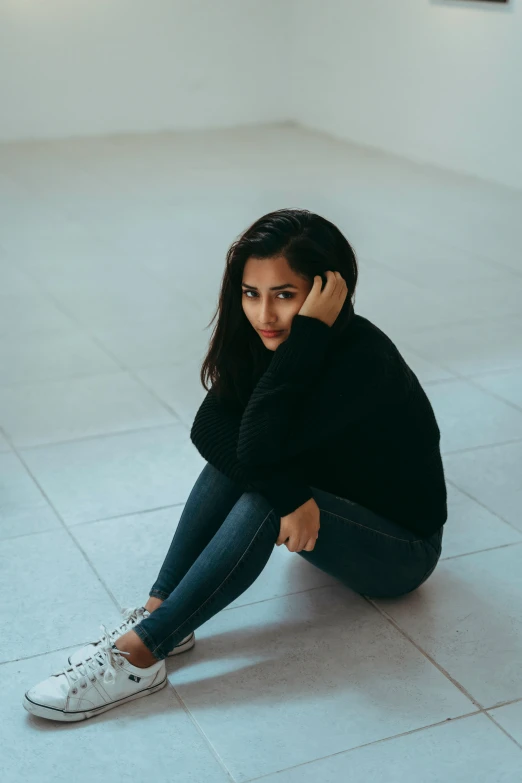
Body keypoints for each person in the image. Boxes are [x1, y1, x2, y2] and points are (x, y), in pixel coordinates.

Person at [23, 208, 446, 722]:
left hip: (401, 550)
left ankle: (140, 654)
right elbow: (211, 428)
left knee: (263, 494)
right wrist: (292, 491)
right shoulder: (270, 341)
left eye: (285, 295)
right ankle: (162, 612)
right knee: (243, 467)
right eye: (251, 293)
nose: (264, 315)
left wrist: (308, 339)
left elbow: (260, 446)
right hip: (329, 508)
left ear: (325, 293)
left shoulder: (361, 360)